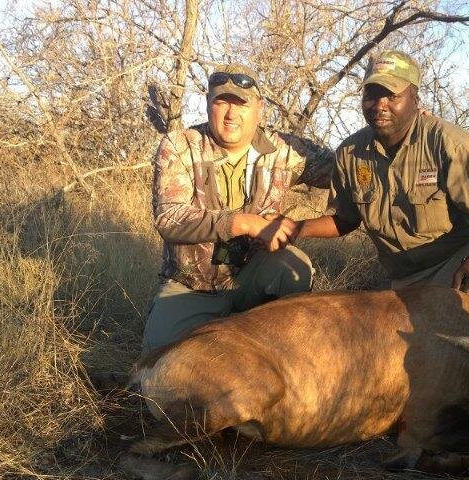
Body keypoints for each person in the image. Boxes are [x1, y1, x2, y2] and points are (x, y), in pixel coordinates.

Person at [271, 50, 469, 327]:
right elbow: (345, 219)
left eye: (392, 96)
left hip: (458, 260)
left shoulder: (447, 142)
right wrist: (295, 227)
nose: (379, 105)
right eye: (371, 95)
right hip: (404, 279)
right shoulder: (350, 152)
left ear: (414, 98)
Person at [142, 63, 333, 352]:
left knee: (294, 266)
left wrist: (409, 132)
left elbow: (347, 169)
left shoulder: (284, 149)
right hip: (193, 286)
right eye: (222, 102)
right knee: (159, 379)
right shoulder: (180, 144)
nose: (231, 114)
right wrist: (246, 223)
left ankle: (283, 349)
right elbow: (169, 219)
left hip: (253, 274)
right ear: (208, 104)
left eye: (241, 104)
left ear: (259, 108)